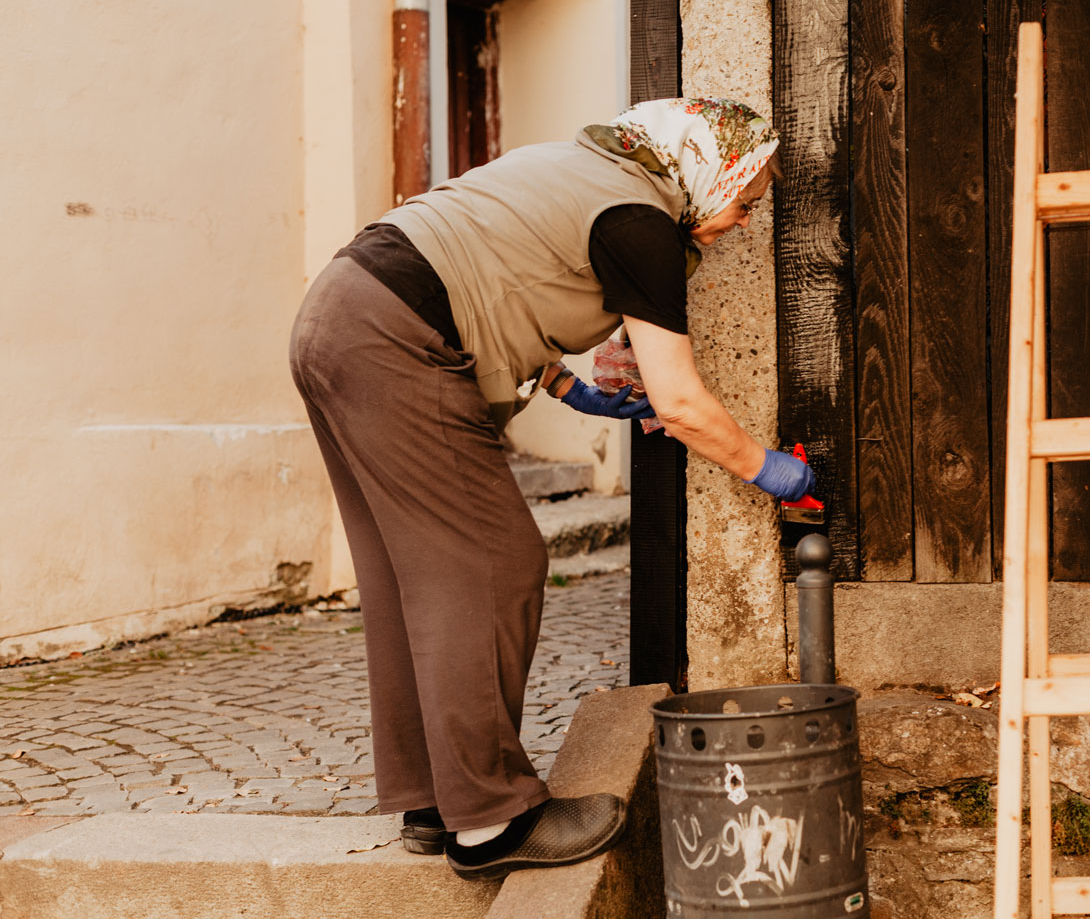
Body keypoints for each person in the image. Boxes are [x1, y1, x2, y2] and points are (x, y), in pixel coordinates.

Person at [287, 97, 815, 881]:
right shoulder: (638, 221)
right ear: (710, 170)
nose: (742, 220)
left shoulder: (589, 170)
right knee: (492, 564)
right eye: (747, 199)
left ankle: (437, 801)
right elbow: (680, 404)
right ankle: (493, 821)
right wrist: (773, 470)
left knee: (412, 577)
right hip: (394, 336)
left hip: (341, 314)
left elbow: (491, 270)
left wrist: (570, 387)